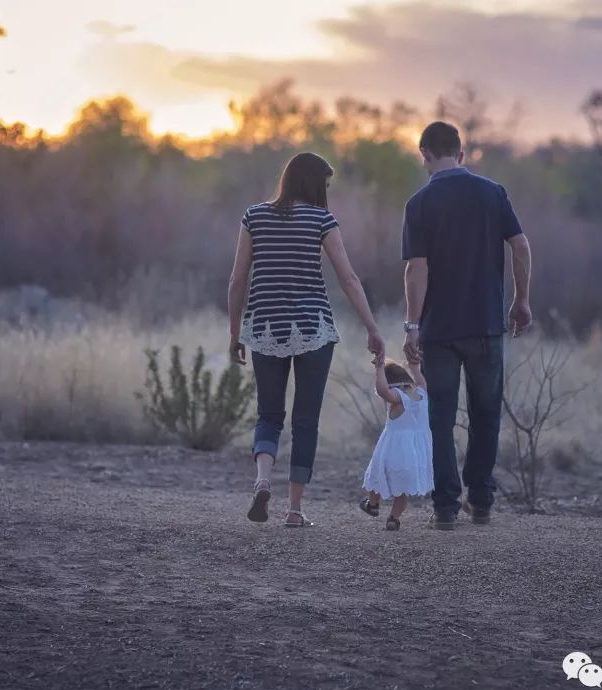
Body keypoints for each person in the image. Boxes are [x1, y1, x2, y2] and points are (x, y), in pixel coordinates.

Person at [228, 152, 385, 528]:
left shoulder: (254, 216)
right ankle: (294, 510)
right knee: (306, 420)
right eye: (325, 184)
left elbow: (237, 280)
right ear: (314, 183)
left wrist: (235, 332)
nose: (326, 192)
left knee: (268, 414)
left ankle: (263, 480)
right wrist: (372, 327)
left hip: (265, 326)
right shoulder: (321, 220)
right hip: (313, 328)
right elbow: (348, 279)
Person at [401, 121, 534, 530]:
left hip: (440, 329)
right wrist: (521, 300)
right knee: (486, 413)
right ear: (461, 153)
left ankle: (445, 507)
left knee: (439, 417)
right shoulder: (492, 193)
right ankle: (481, 501)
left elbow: (416, 269)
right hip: (486, 324)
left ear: (424, 153)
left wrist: (412, 325)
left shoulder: (419, 202)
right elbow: (521, 245)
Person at [358, 356, 434, 531]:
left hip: (393, 450)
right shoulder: (422, 393)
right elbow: (421, 380)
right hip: (414, 454)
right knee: (401, 492)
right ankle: (393, 518)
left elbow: (383, 391)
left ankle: (373, 504)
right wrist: (415, 367)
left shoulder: (397, 398)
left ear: (391, 384)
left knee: (377, 476)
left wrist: (379, 369)